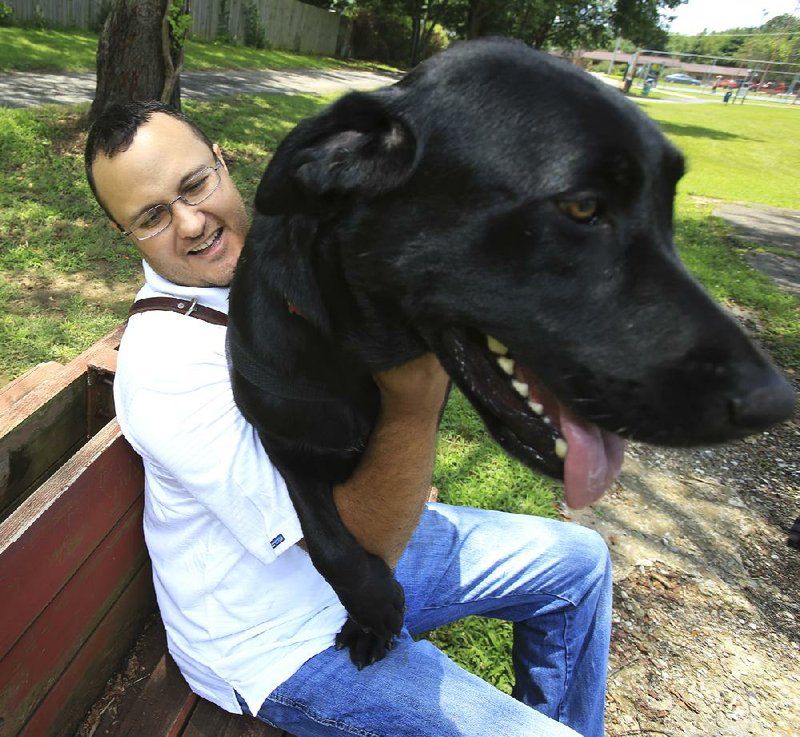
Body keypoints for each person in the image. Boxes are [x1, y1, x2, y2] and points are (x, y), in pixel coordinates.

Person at [84, 99, 613, 737]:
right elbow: (354, 547)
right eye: (152, 216)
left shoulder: (272, 264)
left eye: (195, 184)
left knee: (579, 564)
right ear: (125, 234)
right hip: (279, 635)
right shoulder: (168, 370)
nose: (193, 223)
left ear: (223, 163)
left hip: (353, 556)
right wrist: (415, 408)